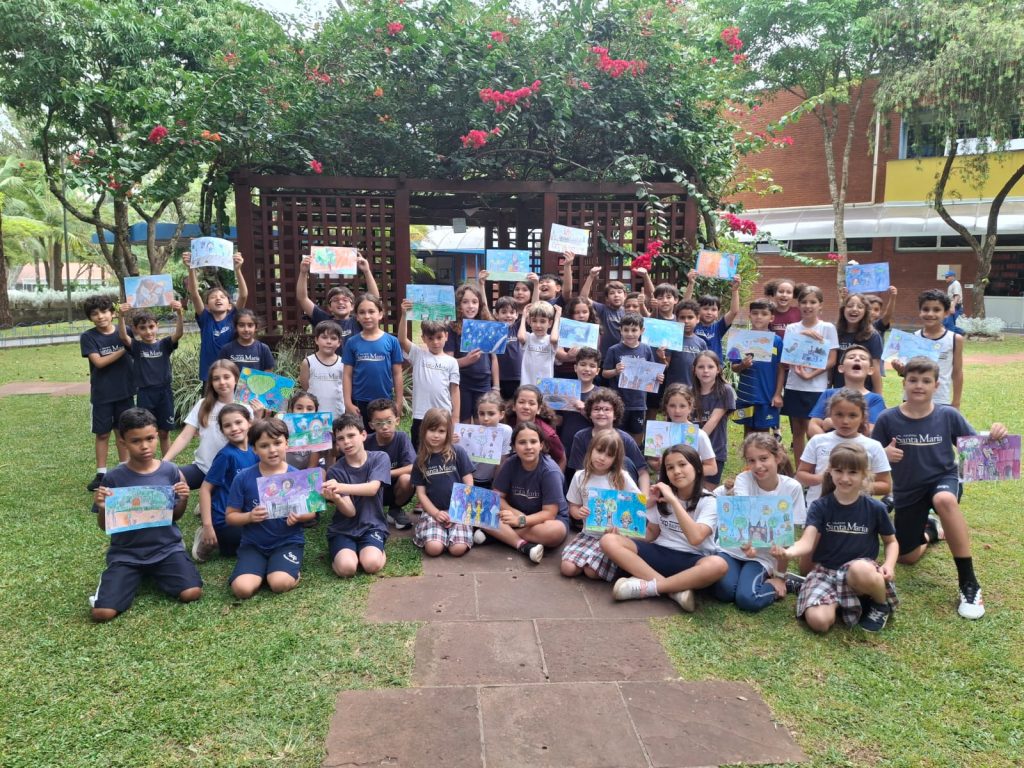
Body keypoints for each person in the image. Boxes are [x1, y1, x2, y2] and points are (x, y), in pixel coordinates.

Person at [871, 356, 1007, 619]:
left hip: (943, 479)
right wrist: (883, 453)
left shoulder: (948, 415)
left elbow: (975, 448)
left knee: (945, 500)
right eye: (913, 380)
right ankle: (931, 530)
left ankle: (969, 583)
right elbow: (868, 454)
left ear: (936, 385)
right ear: (904, 382)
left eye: (926, 381)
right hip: (908, 491)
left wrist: (994, 434)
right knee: (907, 556)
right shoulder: (888, 419)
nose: (919, 385)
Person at [771, 444, 899, 633]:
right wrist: (788, 552)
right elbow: (807, 542)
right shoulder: (820, 506)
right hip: (826, 574)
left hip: (861, 574)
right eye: (839, 471)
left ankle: (880, 605)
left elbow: (891, 542)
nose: (845, 478)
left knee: (859, 569)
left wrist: (889, 564)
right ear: (830, 471)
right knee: (819, 622)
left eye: (852, 472)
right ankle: (837, 598)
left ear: (864, 474)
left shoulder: (875, 508)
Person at [89, 408, 201, 621]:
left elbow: (174, 517)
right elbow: (105, 526)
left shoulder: (170, 471)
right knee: (102, 613)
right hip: (127, 554)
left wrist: (184, 498)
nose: (144, 446)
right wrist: (103, 507)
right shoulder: (114, 478)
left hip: (166, 549)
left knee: (191, 592)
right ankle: (128, 576)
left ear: (157, 435)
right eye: (136, 441)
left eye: (150, 438)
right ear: (122, 442)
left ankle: (156, 572)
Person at [600, 444, 728, 612]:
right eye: (670, 467)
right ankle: (673, 590)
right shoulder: (660, 496)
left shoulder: (709, 501)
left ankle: (650, 587)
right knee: (608, 540)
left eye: (682, 464)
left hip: (691, 561)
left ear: (697, 467)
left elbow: (695, 538)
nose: (676, 471)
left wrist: (674, 501)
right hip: (659, 553)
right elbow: (652, 533)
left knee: (718, 565)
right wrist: (623, 533)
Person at [712, 433, 805, 611]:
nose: (757, 466)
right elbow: (742, 514)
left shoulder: (792, 488)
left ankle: (786, 583)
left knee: (747, 599)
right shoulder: (744, 479)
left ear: (777, 458)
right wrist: (746, 544)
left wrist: (779, 576)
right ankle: (743, 579)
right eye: (751, 460)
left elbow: (785, 540)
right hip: (731, 550)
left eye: (763, 458)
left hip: (761, 557)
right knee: (723, 592)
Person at [225, 418, 316, 599]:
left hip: (287, 541)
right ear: (254, 449)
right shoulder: (243, 478)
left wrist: (299, 516)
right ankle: (262, 569)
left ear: (286, 443)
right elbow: (230, 516)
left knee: (279, 584)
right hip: (254, 544)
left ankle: (285, 571)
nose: (272, 450)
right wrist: (249, 517)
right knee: (242, 590)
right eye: (264, 446)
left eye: (277, 443)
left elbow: (311, 513)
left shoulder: (297, 476)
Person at [796, 387, 891, 517]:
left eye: (852, 415)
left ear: (863, 417)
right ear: (830, 415)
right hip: (820, 511)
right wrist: (822, 479)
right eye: (839, 414)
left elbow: (885, 485)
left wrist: (858, 484)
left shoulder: (873, 446)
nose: (845, 421)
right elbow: (801, 474)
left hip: (857, 513)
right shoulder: (818, 441)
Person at [561, 431, 641, 581]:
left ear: (616, 459)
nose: (602, 458)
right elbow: (573, 506)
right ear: (591, 449)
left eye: (609, 455)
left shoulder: (621, 477)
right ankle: (589, 562)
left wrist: (621, 528)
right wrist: (578, 513)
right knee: (567, 568)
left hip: (612, 538)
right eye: (599, 451)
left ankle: (618, 565)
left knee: (591, 572)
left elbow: (637, 504)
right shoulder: (580, 476)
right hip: (588, 534)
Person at [322, 413, 393, 578]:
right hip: (343, 529)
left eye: (351, 435)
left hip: (372, 525)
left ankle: (376, 552)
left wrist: (339, 487)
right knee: (347, 568)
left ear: (363, 435)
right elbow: (350, 512)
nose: (346, 442)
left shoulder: (380, 458)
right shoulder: (335, 471)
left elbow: (372, 489)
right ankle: (342, 555)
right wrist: (337, 497)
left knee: (371, 564)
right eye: (341, 438)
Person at [490, 422, 570, 563]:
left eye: (533, 442)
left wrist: (520, 521)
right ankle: (523, 545)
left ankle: (498, 535)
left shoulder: (550, 471)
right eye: (522, 442)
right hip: (516, 513)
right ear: (514, 446)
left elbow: (549, 513)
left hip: (546, 521)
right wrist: (515, 514)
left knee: (555, 532)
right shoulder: (510, 463)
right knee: (482, 510)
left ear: (541, 445)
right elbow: (496, 496)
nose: (528, 447)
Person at [165, 360, 250, 489]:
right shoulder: (203, 405)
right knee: (167, 478)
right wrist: (165, 461)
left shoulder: (246, 407)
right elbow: (184, 436)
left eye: (226, 377)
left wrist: (259, 414)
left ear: (236, 379)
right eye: (216, 379)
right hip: (203, 468)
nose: (222, 382)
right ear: (211, 382)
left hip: (233, 472)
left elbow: (253, 439)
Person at [779, 285, 839, 462]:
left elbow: (832, 360)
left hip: (816, 388)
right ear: (798, 305)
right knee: (797, 431)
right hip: (794, 385)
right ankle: (800, 470)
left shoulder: (827, 328)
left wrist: (811, 375)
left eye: (813, 302)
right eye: (804, 302)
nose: (808, 306)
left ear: (820, 305)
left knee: (813, 430)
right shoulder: (792, 328)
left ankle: (816, 466)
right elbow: (787, 357)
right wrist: (803, 336)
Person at [81, 294, 136, 491]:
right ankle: (101, 474)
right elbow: (99, 362)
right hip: (102, 395)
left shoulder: (125, 331)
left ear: (112, 313)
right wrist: (126, 347)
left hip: (125, 392)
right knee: (102, 434)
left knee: (123, 433)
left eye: (104, 312)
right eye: (94, 314)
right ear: (90, 317)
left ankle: (124, 470)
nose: (100, 316)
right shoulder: (88, 337)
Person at [118, 300, 184, 455]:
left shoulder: (165, 344)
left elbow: (179, 334)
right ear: (135, 329)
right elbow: (123, 337)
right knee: (146, 431)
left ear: (157, 326)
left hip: (164, 393)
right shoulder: (137, 346)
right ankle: (148, 460)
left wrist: (179, 314)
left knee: (164, 432)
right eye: (142, 328)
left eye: (151, 326)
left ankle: (167, 463)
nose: (148, 331)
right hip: (145, 394)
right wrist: (120, 316)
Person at [193, 404, 258, 562]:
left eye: (238, 422)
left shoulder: (256, 449)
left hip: (248, 512)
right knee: (244, 545)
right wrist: (208, 526)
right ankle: (206, 535)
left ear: (249, 422)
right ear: (222, 431)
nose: (234, 428)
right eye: (227, 425)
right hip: (227, 518)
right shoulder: (226, 455)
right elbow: (205, 489)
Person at [410, 408, 476, 557]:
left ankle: (450, 536)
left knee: (457, 549)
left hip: (458, 511)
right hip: (433, 512)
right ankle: (439, 537)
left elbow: (469, 484)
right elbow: (421, 494)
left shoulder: (458, 452)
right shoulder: (420, 460)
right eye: (432, 430)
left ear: (448, 433)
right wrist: (436, 513)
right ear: (424, 430)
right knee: (434, 549)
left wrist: (456, 513)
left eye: (441, 431)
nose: (436, 435)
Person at [398, 301, 460, 447]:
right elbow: (402, 340)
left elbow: (455, 390)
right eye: (430, 338)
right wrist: (404, 314)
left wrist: (455, 418)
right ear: (423, 338)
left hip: (443, 414)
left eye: (439, 337)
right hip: (421, 415)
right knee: (419, 451)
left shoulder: (452, 362)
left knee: (442, 451)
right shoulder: (418, 355)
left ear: (446, 336)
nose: (435, 342)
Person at [892, 289, 964, 409]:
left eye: (936, 310)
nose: (930, 314)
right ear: (920, 312)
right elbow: (909, 371)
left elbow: (957, 373)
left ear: (946, 313)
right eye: (925, 309)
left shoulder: (955, 339)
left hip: (940, 399)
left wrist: (956, 402)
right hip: (912, 397)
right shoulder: (912, 338)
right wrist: (900, 370)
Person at [182, 249, 247, 382]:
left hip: (231, 376)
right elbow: (194, 294)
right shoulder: (205, 319)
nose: (218, 298)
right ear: (207, 306)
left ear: (230, 305)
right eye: (213, 297)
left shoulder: (233, 317)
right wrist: (191, 268)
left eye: (222, 297)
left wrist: (238, 270)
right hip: (209, 376)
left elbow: (244, 295)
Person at [601, 313, 666, 442]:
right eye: (626, 330)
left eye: (634, 330)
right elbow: (604, 373)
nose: (630, 334)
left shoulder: (646, 349)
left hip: (638, 402)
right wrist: (615, 371)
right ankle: (618, 453)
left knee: (637, 432)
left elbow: (652, 373)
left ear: (642, 331)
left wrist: (658, 377)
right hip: (618, 401)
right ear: (620, 330)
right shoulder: (614, 350)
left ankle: (635, 452)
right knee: (617, 433)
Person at [342, 294, 404, 428]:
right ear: (357, 317)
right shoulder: (352, 342)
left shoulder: (392, 341)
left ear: (380, 314)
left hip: (385, 401)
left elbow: (397, 373)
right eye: (362, 312)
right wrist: (348, 403)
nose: (367, 316)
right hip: (359, 402)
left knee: (384, 435)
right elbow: (347, 374)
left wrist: (399, 403)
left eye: (371, 311)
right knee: (362, 436)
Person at [295, 252, 380, 348]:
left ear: (352, 306)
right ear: (329, 307)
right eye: (335, 300)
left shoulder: (358, 320)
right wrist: (303, 272)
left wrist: (367, 271)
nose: (340, 302)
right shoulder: (324, 320)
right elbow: (303, 298)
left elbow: (374, 299)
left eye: (345, 300)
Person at [445, 282, 499, 422]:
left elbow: (494, 359)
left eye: (474, 302)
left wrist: (496, 387)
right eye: (465, 302)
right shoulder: (452, 328)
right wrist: (466, 361)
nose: (470, 306)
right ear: (458, 305)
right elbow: (447, 362)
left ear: (480, 304)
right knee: (464, 423)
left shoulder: (486, 325)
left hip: (484, 382)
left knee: (484, 422)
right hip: (461, 383)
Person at [731, 298, 784, 437]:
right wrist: (742, 365)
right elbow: (733, 367)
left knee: (763, 435)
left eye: (764, 314)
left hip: (766, 396)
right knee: (748, 432)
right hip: (746, 395)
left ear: (771, 318)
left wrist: (778, 394)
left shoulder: (777, 341)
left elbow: (781, 369)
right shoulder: (739, 338)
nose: (759, 317)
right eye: (755, 313)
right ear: (749, 315)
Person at [808, 346, 886, 436]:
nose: (857, 359)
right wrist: (829, 442)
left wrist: (834, 423)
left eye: (863, 358)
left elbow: (871, 430)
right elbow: (813, 425)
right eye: (851, 357)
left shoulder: (875, 399)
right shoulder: (829, 394)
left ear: (870, 370)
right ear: (841, 368)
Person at [364, 398, 415, 530]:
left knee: (407, 479)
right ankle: (369, 510)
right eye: (379, 423)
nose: (385, 426)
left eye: (389, 421)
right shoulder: (365, 442)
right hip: (371, 489)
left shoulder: (401, 438)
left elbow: (412, 467)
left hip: (394, 487)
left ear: (397, 421)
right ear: (371, 425)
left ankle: (395, 509)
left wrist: (384, 473)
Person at [648, 383, 717, 480]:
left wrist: (689, 471)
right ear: (666, 407)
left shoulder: (699, 434)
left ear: (690, 407)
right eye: (672, 406)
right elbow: (652, 461)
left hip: (690, 486)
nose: (677, 411)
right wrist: (657, 464)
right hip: (665, 484)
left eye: (682, 406)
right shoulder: (658, 432)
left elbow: (712, 468)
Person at [692, 351, 736, 488]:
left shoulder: (725, 391)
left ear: (718, 369)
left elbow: (713, 421)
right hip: (689, 451)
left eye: (710, 367)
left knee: (706, 493)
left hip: (714, 451)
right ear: (694, 370)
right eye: (701, 367)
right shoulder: (688, 392)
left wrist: (691, 444)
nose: (705, 371)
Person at [503, 384, 567, 470]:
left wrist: (556, 476)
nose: (526, 407)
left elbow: (562, 459)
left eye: (531, 403)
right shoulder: (505, 425)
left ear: (539, 409)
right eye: (521, 402)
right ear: (514, 406)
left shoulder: (547, 434)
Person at [460, 390, 512, 490]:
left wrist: (495, 485)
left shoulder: (505, 431)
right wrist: (454, 442)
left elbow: (502, 461)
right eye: (482, 414)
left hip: (490, 481)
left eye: (491, 414)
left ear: (501, 414)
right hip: (467, 480)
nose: (486, 418)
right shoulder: (468, 432)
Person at [684, 272, 742, 361]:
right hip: (695, 365)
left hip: (714, 366)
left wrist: (735, 290)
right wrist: (691, 284)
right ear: (697, 310)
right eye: (705, 308)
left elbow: (734, 312)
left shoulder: (719, 327)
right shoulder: (693, 325)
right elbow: (685, 306)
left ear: (718, 312)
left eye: (713, 310)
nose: (709, 312)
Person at [831, 293, 883, 392]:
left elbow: (876, 368)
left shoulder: (872, 336)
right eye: (850, 306)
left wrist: (878, 395)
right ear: (843, 309)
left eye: (860, 307)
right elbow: (831, 365)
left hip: (864, 392)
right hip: (839, 391)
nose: (854, 309)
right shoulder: (835, 332)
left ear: (865, 312)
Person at [299, 320, 345, 421]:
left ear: (339, 343)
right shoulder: (308, 362)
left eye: (333, 338)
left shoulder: (343, 363)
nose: (329, 341)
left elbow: (345, 387)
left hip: (337, 414)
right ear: (316, 340)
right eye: (324, 337)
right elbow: (305, 386)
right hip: (314, 414)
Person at [579, 265, 626, 361]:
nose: (616, 295)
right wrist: (591, 276)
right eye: (612, 293)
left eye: (619, 292)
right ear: (607, 298)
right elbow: (583, 298)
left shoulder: (627, 312)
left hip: (621, 355)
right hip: (603, 356)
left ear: (625, 295)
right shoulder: (602, 309)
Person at [555, 347, 601, 445]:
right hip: (567, 444)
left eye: (592, 366)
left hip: (591, 446)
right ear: (575, 368)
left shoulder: (601, 395)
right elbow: (559, 421)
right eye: (583, 364)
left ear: (597, 371)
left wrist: (585, 410)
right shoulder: (564, 391)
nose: (587, 369)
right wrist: (548, 411)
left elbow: (604, 423)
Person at [518, 291, 562, 387]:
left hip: (545, 386)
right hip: (527, 384)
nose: (538, 325)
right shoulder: (528, 337)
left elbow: (554, 339)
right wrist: (524, 317)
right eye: (534, 321)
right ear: (529, 322)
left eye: (542, 321)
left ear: (549, 323)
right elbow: (520, 337)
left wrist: (557, 318)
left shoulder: (550, 339)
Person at [493, 295, 524, 400]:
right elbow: (484, 308)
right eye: (504, 312)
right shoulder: (493, 330)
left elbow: (532, 309)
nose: (508, 315)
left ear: (517, 315)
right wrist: (482, 287)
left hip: (517, 378)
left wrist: (536, 286)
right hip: (499, 379)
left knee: (514, 407)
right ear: (496, 314)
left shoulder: (518, 328)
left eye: (512, 312)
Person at [284, 390, 322, 471]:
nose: (304, 412)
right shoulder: (283, 426)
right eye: (299, 408)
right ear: (291, 410)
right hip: (285, 472)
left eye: (309, 409)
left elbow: (312, 466)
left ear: (316, 412)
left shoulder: (317, 429)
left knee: (322, 472)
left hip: (306, 473)